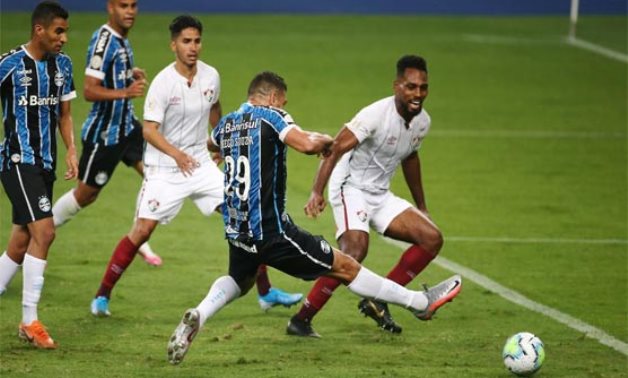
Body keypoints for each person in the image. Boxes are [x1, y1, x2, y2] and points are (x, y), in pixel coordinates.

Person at [166, 71, 462, 365]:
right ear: (271, 98)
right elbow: (307, 144)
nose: (283, 107)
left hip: (237, 229)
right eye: (283, 102)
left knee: (239, 281)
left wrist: (227, 153)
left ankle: (200, 314)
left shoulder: (227, 124)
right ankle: (418, 303)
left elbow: (211, 146)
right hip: (273, 233)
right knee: (346, 266)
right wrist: (324, 142)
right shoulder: (272, 116)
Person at [90, 15, 301, 317]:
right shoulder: (163, 83)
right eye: (186, 41)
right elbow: (148, 130)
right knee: (143, 230)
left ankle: (266, 293)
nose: (193, 47)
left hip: (200, 164)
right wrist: (176, 155)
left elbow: (215, 108)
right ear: (173, 44)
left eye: (197, 41)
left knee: (244, 218)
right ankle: (102, 296)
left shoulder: (210, 76)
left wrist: (223, 143)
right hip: (165, 168)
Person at [288, 55, 444, 337]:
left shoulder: (423, 122)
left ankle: (378, 298)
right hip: (350, 187)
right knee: (354, 252)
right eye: (411, 87)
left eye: (423, 87)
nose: (417, 94)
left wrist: (421, 206)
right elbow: (335, 148)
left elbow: (410, 158)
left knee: (432, 238)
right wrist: (316, 191)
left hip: (380, 194)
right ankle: (301, 319)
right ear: (397, 85)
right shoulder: (374, 115)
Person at [50, 0, 162, 266]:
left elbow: (110, 74)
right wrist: (126, 91)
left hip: (128, 128)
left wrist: (127, 75)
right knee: (86, 195)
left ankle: (140, 237)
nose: (130, 11)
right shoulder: (103, 41)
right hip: (105, 136)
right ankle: (42, 227)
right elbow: (90, 90)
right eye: (123, 5)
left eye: (134, 5)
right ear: (110, 7)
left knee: (157, 176)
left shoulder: (122, 39)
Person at [0, 1, 78, 349]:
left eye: (65, 31)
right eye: (58, 31)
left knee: (20, 242)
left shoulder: (63, 66)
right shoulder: (10, 64)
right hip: (18, 160)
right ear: (40, 30)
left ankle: (26, 320)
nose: (63, 38)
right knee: (45, 233)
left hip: (45, 163)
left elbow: (64, 113)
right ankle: (30, 321)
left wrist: (72, 150)